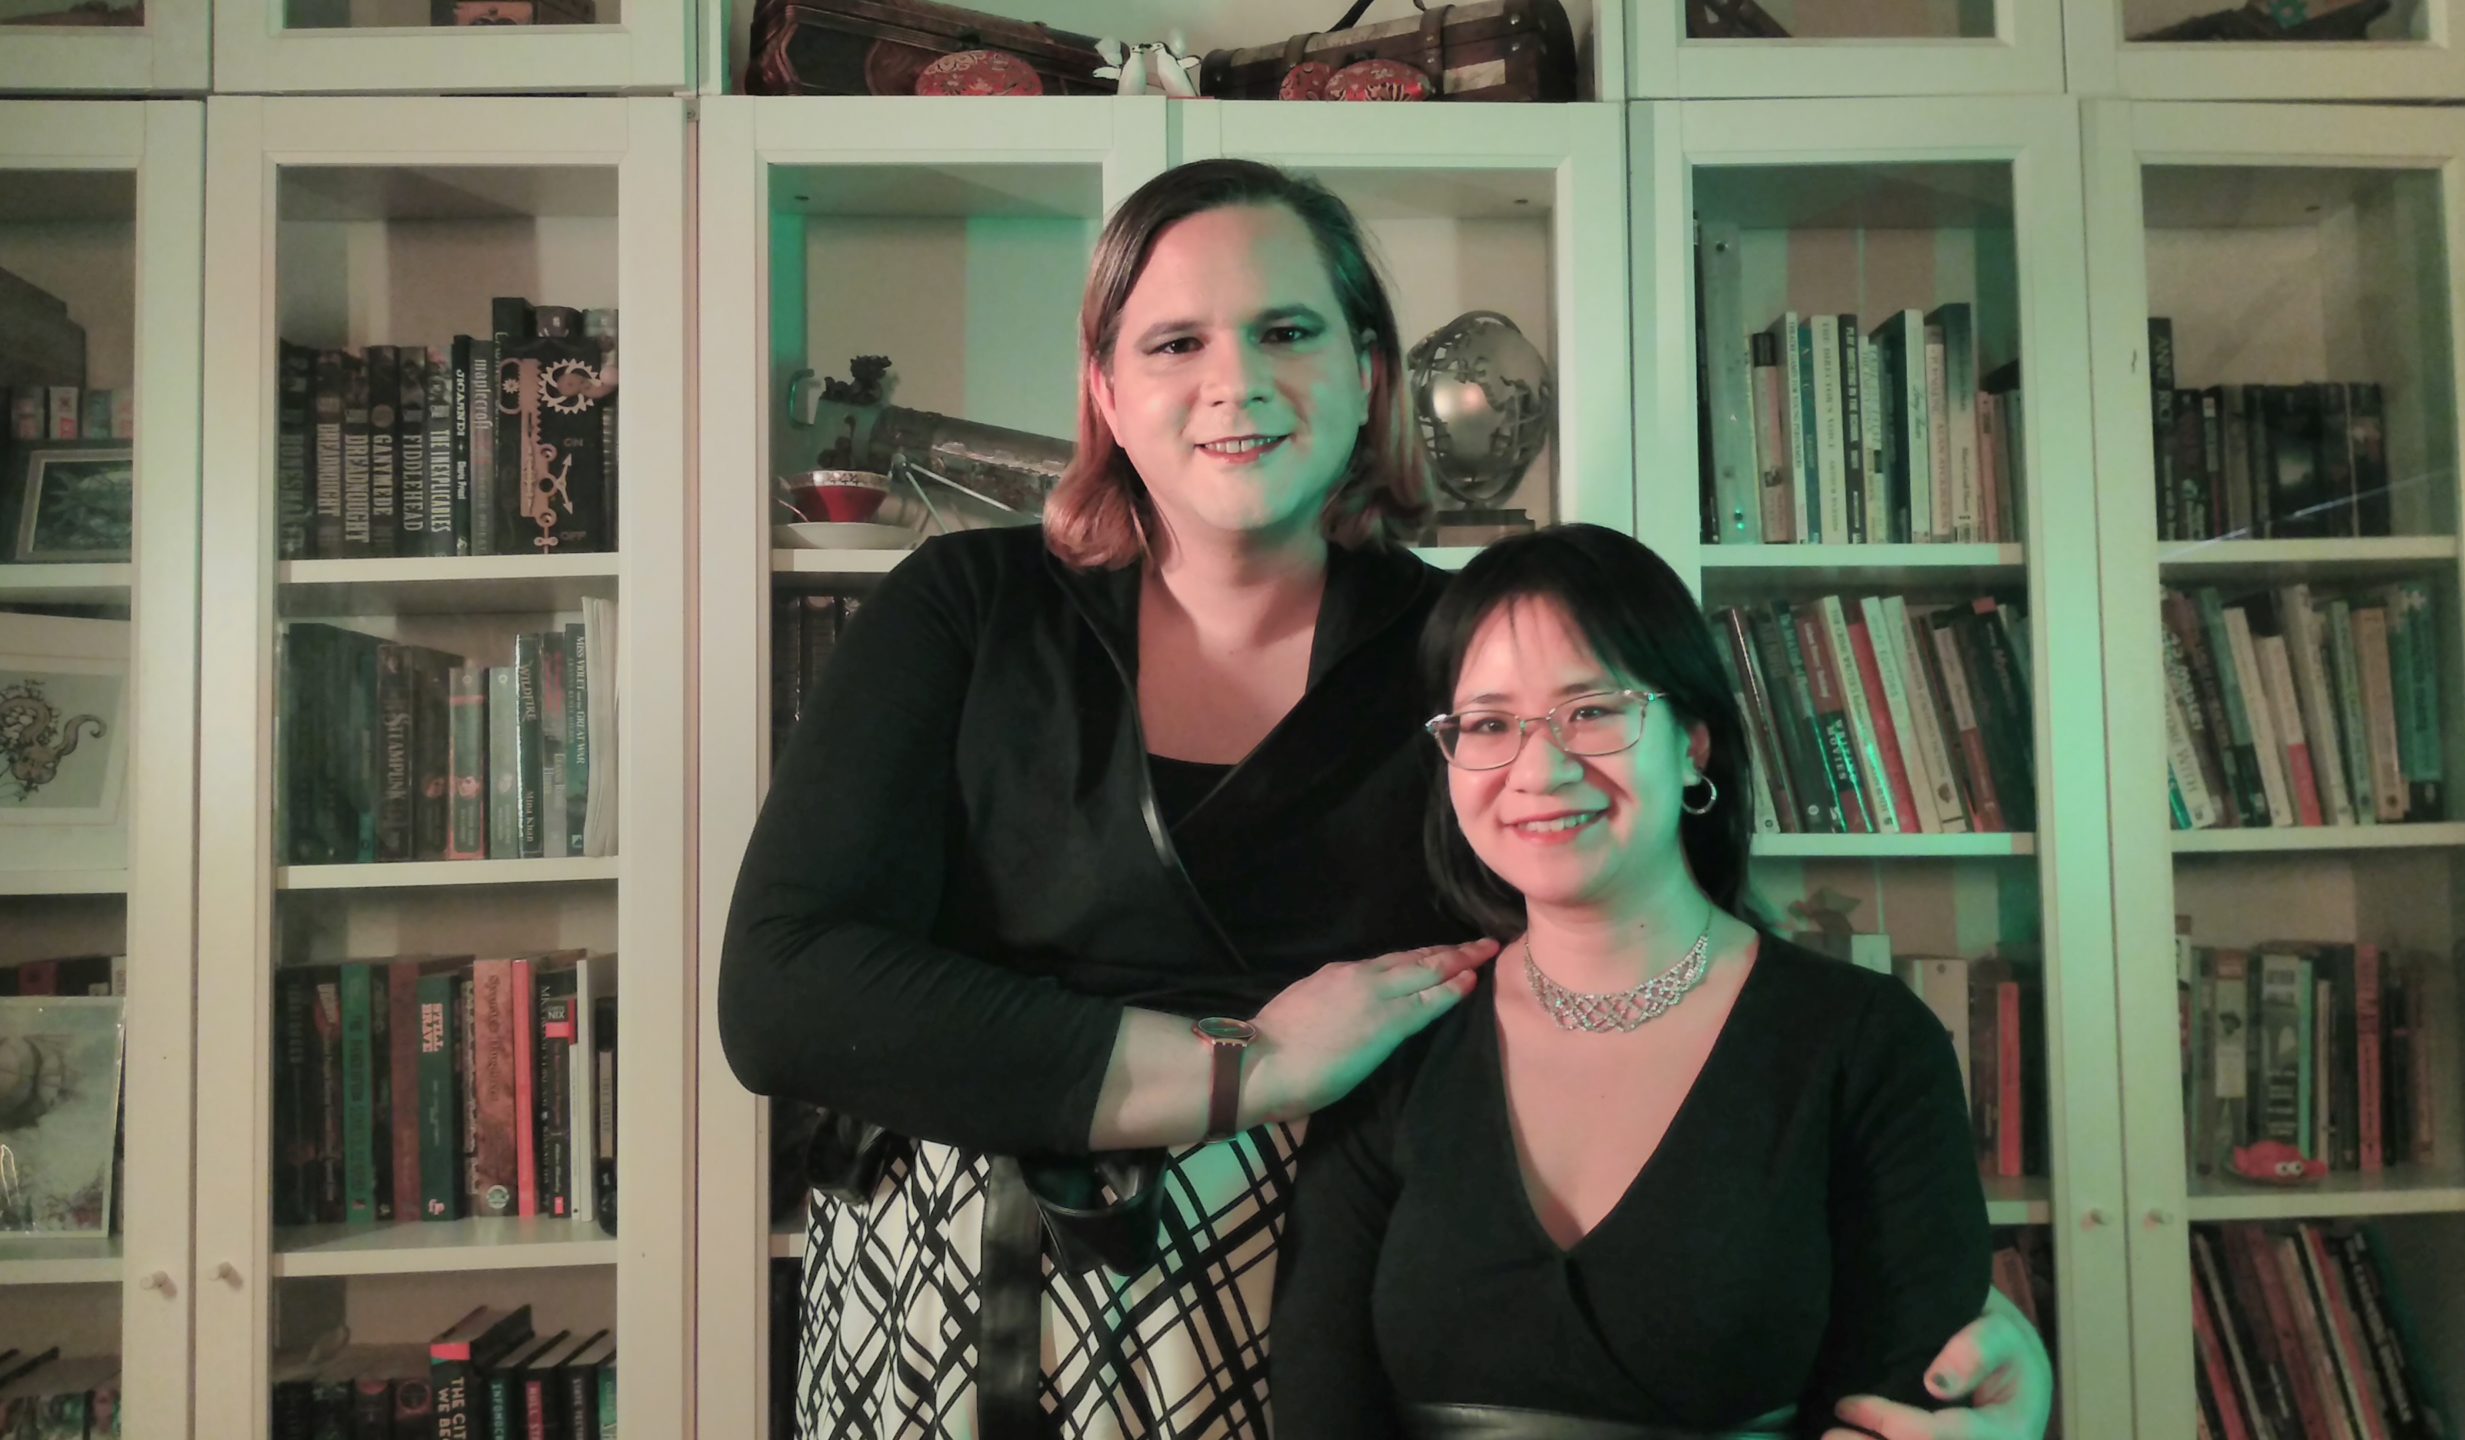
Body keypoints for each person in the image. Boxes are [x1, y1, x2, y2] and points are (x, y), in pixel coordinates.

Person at [719, 158, 2053, 1440]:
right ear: (1105, 393)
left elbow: (1654, 952)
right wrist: (1249, 1065)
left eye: (1287, 329)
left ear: (1367, 374)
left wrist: (1935, 1295)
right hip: (955, 1302)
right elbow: (786, 995)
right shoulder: (960, 608)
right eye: (1174, 342)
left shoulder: (1459, 652)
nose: (1234, 380)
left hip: (1312, 1299)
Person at [1270, 524, 1999, 1439]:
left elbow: (1901, 1404)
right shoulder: (1397, 1038)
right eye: (1490, 724)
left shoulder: (1867, 1041)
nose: (1539, 768)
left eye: (1593, 710)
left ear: (1693, 743)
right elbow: (1317, 1399)